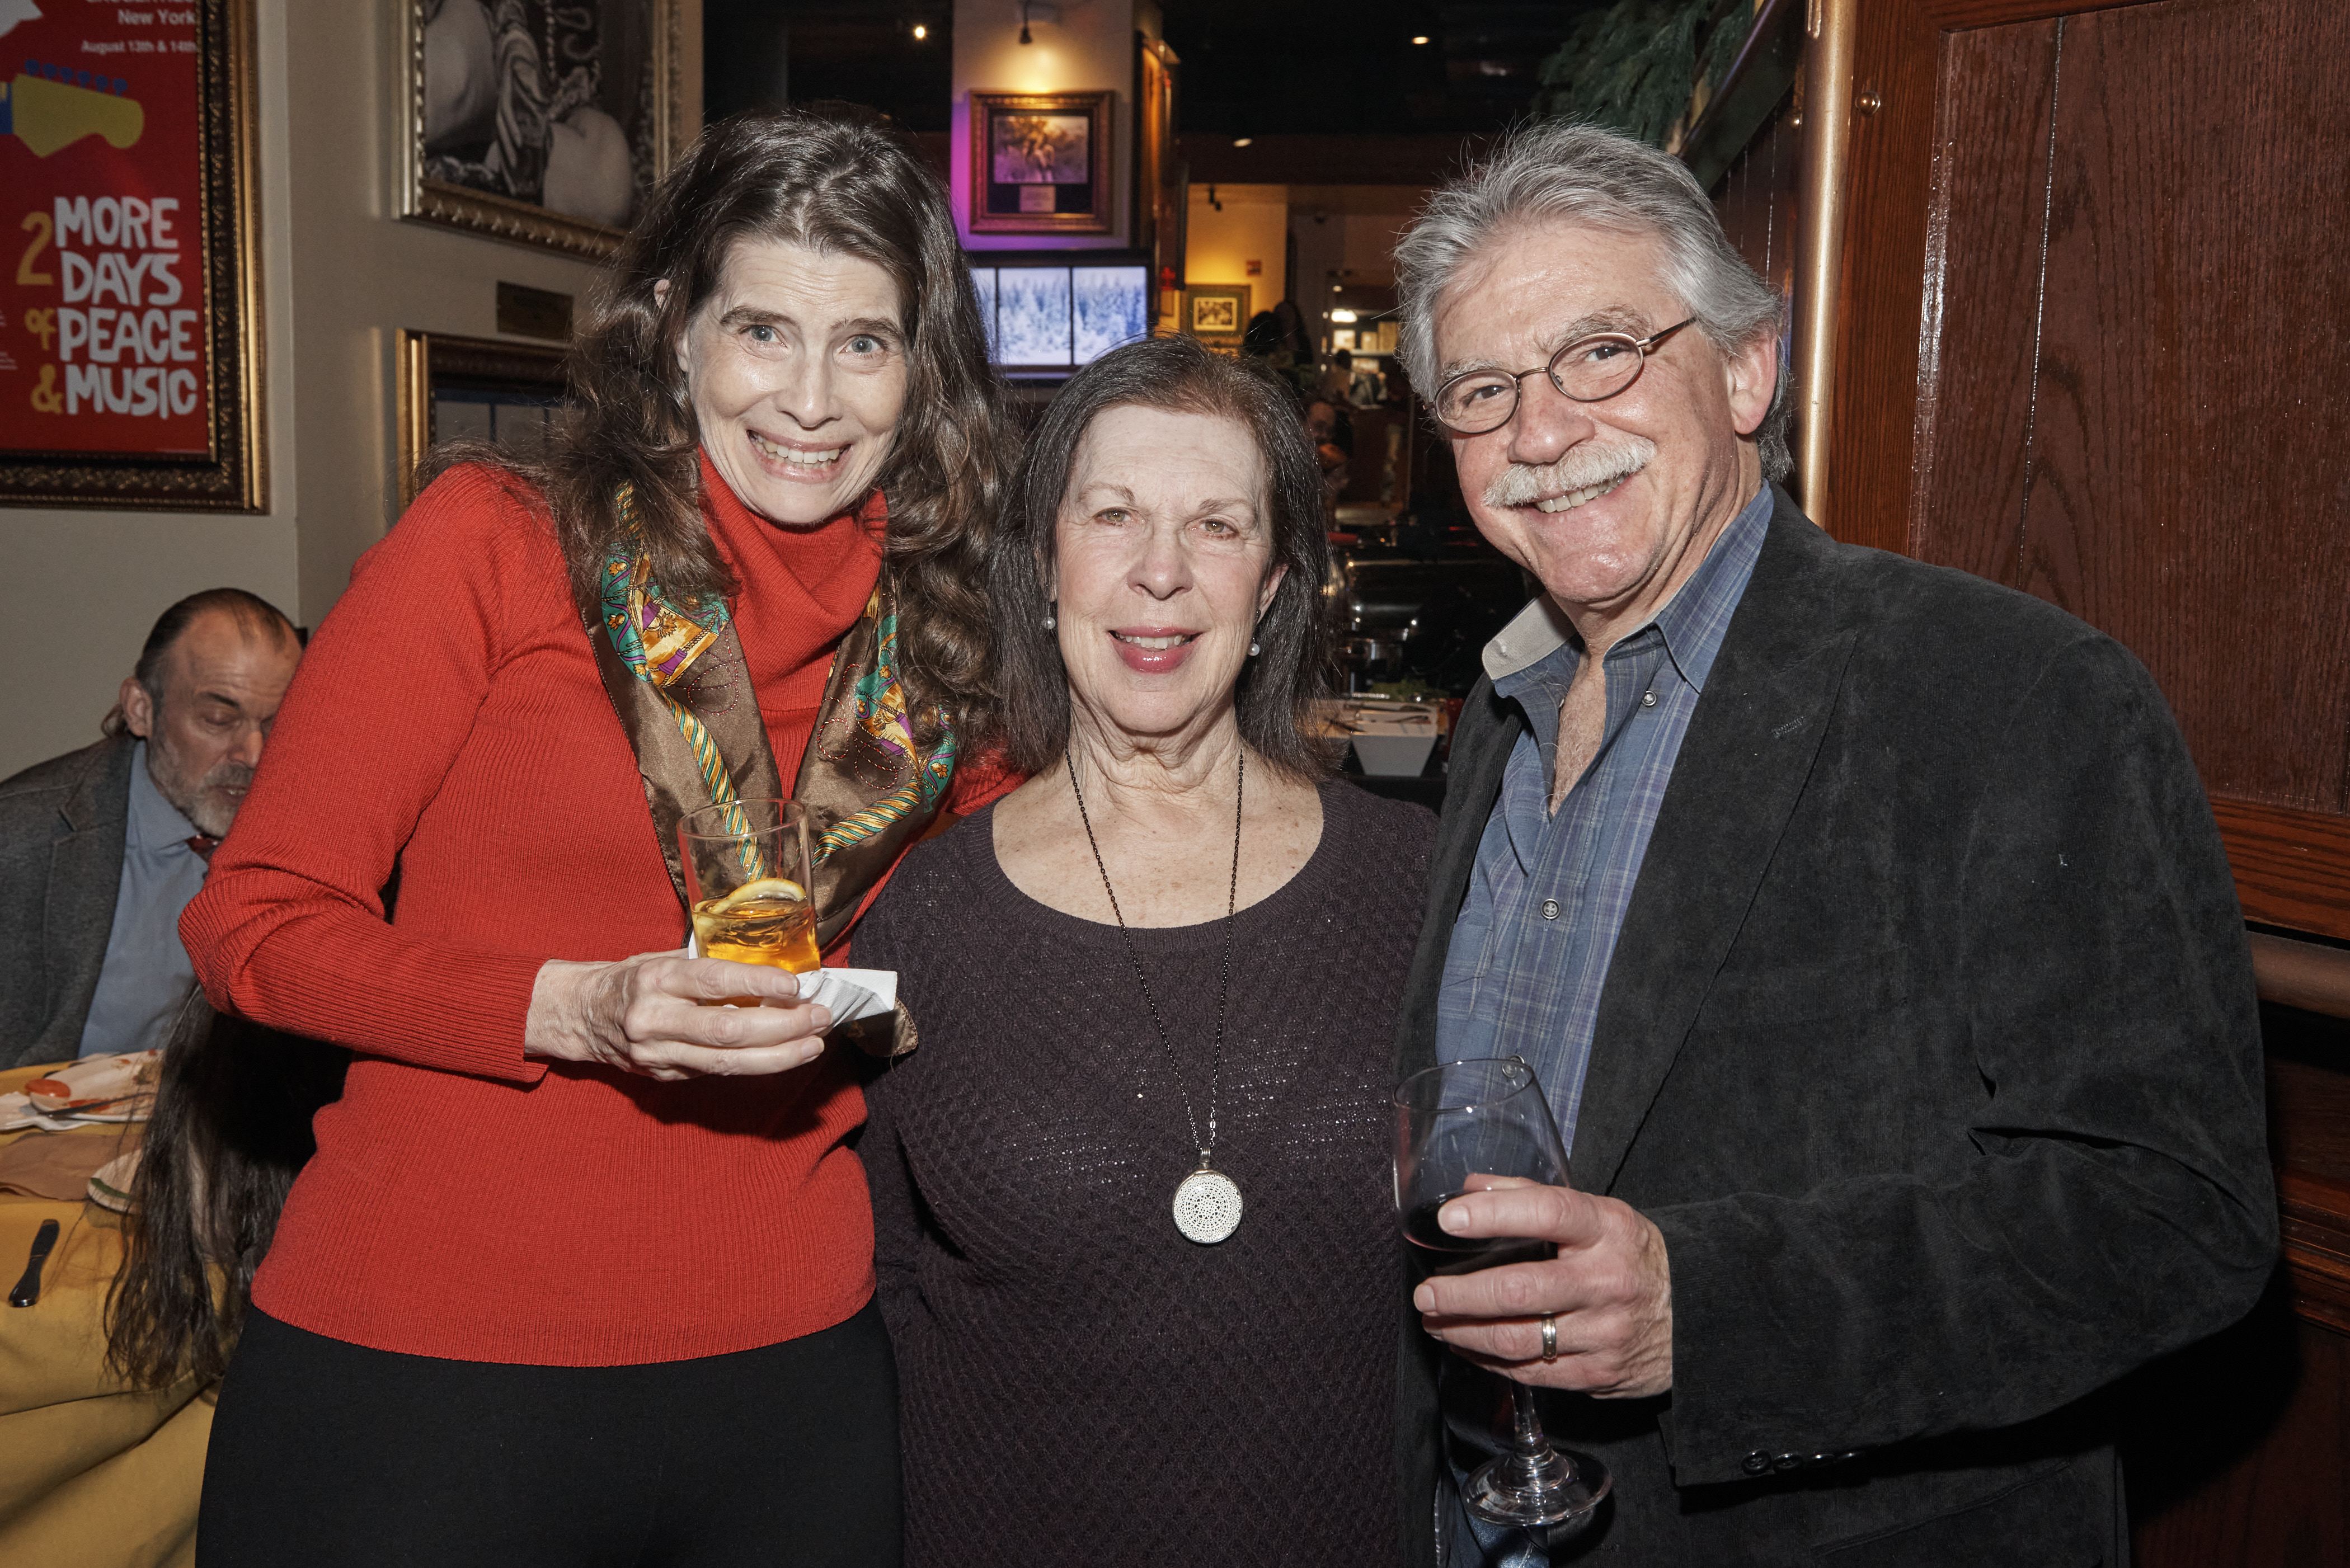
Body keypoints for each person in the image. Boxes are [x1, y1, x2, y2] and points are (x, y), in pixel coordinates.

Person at [1385, 121, 2276, 1565]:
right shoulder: (1498, 719)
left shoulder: (2008, 694)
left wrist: (1708, 1311)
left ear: (1748, 370)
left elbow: (2174, 1212)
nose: (1540, 433)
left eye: (1601, 352)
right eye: (1484, 391)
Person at [177, 107, 1013, 1567]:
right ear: (677, 332)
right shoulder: (497, 541)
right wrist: (567, 1005)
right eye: (763, 330)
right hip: (425, 1364)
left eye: (865, 344)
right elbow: (252, 923)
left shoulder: (945, 642)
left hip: (795, 1371)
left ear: (922, 370)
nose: (811, 398)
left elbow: (984, 971)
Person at [857, 333, 1433, 1566]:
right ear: (1045, 562)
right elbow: (878, 1288)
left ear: (1273, 587)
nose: (1160, 571)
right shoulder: (920, 918)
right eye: (1112, 514)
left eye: (1217, 526)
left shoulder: (1417, 880)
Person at [0, 588, 300, 1068]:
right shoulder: (21, 837)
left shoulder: (312, 837)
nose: (253, 754)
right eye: (219, 719)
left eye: (276, 725)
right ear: (141, 709)